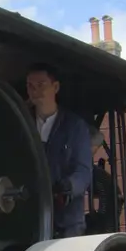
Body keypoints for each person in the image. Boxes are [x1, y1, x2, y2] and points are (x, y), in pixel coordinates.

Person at [25, 63, 92, 238]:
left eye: (41, 85)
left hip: (67, 226)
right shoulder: (21, 124)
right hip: (29, 222)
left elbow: (83, 172)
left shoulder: (75, 127)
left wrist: (68, 187)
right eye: (30, 86)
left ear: (56, 87)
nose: (35, 91)